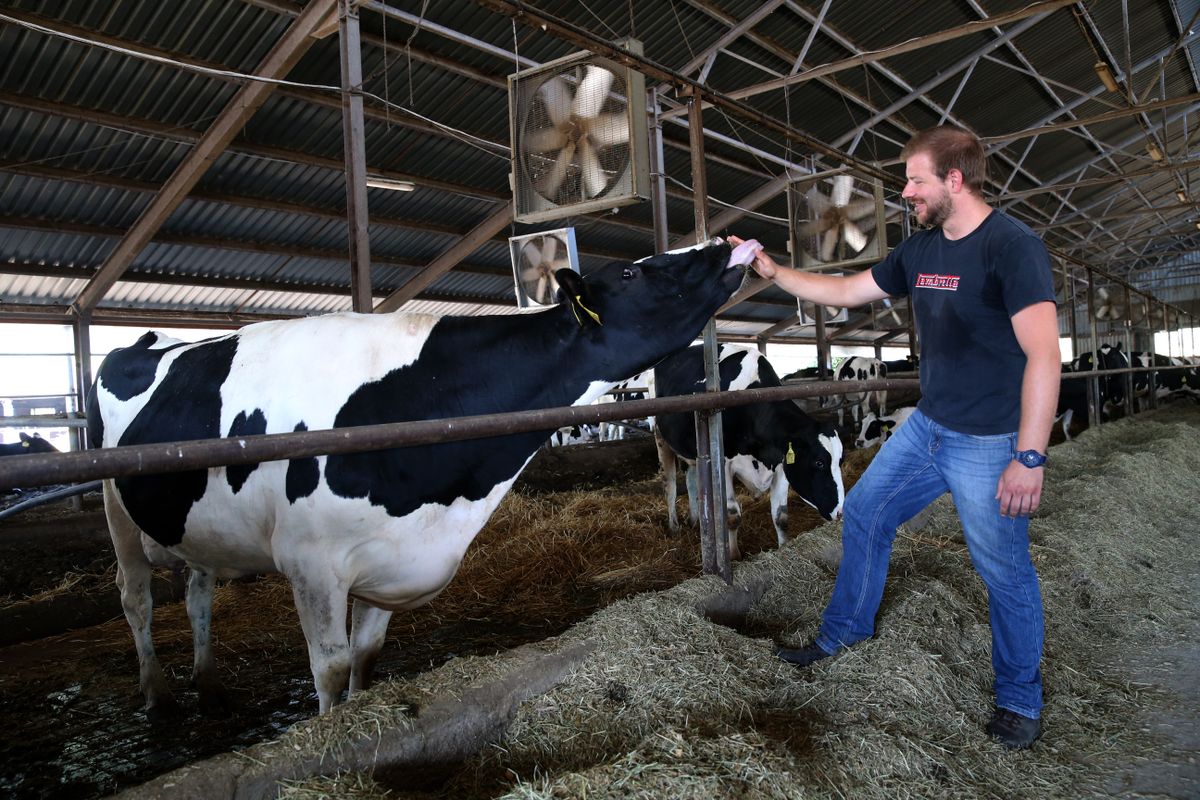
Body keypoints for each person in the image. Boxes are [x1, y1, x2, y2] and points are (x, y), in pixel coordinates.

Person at [733, 125, 1060, 750]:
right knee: (864, 513)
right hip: (928, 429)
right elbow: (849, 291)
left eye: (915, 180)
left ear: (954, 181)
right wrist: (775, 272)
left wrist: (1029, 456)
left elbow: (1044, 356)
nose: (906, 192)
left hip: (990, 442)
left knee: (1004, 571)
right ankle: (844, 633)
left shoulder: (1011, 249)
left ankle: (1020, 699)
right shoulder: (921, 252)